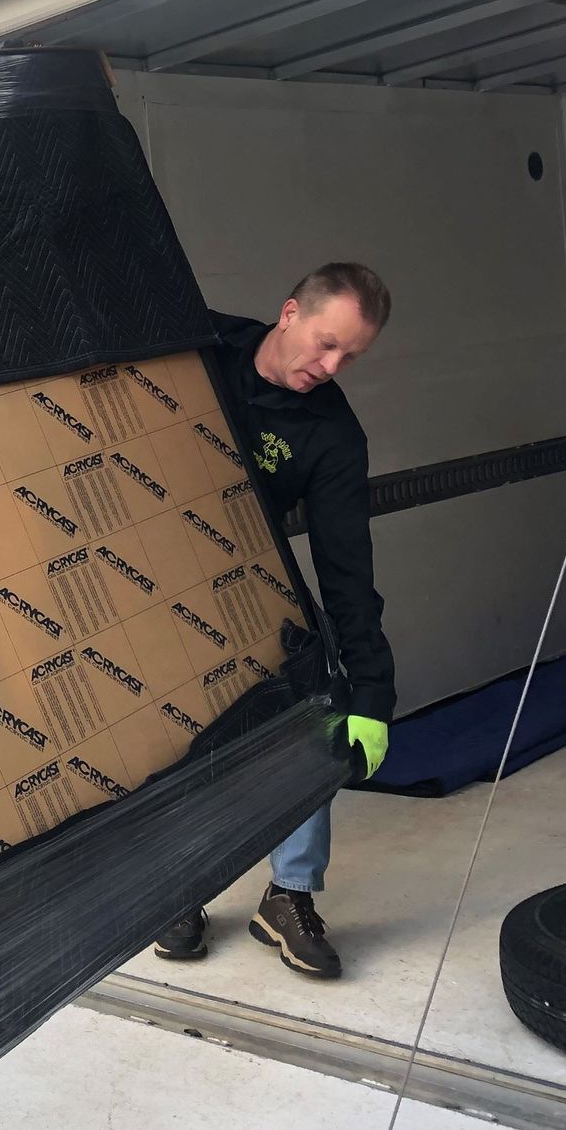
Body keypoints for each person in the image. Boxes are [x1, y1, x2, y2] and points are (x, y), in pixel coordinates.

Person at [155, 263, 396, 979]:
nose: (332, 367)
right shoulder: (197, 342)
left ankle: (289, 894)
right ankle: (180, 887)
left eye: (351, 356)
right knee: (167, 733)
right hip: (155, 580)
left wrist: (372, 693)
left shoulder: (332, 435)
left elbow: (347, 572)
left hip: (250, 583)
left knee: (311, 703)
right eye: (327, 344)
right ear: (290, 313)